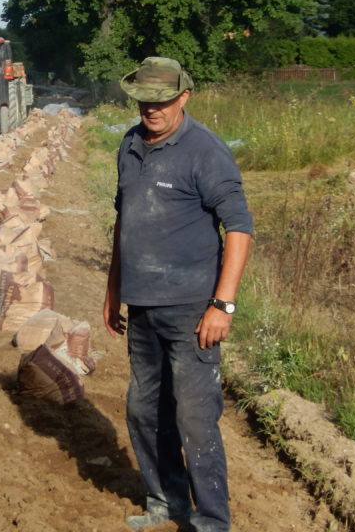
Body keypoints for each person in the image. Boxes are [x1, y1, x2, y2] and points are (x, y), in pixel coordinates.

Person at [102, 57, 253, 532]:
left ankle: (212, 521)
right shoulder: (129, 145)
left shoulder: (205, 150)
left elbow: (240, 229)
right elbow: (124, 222)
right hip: (142, 305)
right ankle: (165, 501)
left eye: (163, 100)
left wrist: (221, 304)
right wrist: (113, 291)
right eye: (145, 100)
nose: (153, 109)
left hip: (192, 309)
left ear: (183, 97)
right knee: (144, 410)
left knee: (194, 419)